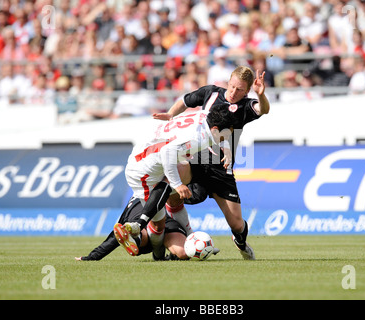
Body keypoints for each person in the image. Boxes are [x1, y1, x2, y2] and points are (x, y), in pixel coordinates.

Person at [152, 66, 270, 260]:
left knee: (237, 224)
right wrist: (171, 114)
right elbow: (185, 100)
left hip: (221, 169)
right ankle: (169, 238)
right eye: (232, 86)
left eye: (240, 89)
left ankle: (240, 241)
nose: (233, 92)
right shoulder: (211, 92)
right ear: (228, 82)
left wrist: (261, 95)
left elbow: (263, 109)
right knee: (172, 184)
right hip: (195, 160)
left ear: (247, 91)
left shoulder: (245, 107)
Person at [119, 105, 236, 259]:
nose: (226, 138)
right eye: (225, 135)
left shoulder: (206, 116)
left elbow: (209, 120)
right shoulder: (197, 139)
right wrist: (177, 184)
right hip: (145, 169)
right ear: (214, 129)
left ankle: (189, 237)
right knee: (158, 224)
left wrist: (225, 149)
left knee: (176, 198)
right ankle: (155, 251)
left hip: (152, 154)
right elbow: (167, 153)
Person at [75, 197, 189, 261]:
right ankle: (135, 238)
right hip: (148, 226)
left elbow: (116, 234)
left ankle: (136, 239)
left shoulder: (162, 185)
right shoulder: (143, 193)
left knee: (183, 253)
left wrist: (93, 256)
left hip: (163, 223)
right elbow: (118, 233)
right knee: (136, 229)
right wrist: (92, 256)